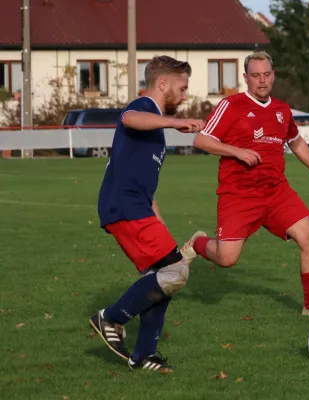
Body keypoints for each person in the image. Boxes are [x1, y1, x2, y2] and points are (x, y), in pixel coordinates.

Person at [181, 51, 309, 317]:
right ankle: (197, 244)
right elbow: (201, 140)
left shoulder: (282, 110)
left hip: (277, 193)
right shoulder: (232, 105)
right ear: (246, 78)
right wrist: (237, 151)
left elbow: (296, 143)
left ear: (273, 76)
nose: (262, 81)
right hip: (239, 195)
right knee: (227, 258)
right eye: (256, 75)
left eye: (266, 75)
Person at [89, 55, 205, 371]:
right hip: (124, 206)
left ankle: (143, 356)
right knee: (176, 272)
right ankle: (110, 317)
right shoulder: (144, 108)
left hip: (137, 206)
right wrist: (176, 122)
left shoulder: (155, 126)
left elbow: (144, 183)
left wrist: (159, 222)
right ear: (162, 84)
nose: (184, 96)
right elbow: (128, 118)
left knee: (162, 278)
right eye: (181, 89)